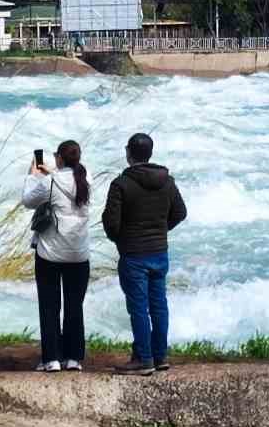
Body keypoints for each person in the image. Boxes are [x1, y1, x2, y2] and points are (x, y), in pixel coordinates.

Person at [102, 133, 187, 377]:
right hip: (159, 252)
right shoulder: (167, 181)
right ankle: (160, 356)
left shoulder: (121, 184)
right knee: (159, 305)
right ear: (149, 152)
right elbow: (180, 212)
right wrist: (161, 230)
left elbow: (110, 222)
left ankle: (144, 358)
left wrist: (122, 238)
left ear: (129, 153)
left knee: (138, 307)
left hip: (133, 254)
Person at [22, 141, 92, 373]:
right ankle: (73, 358)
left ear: (59, 158)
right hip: (79, 255)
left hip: (50, 254)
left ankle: (51, 358)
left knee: (50, 306)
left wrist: (33, 175)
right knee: (75, 307)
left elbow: (27, 201)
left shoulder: (48, 182)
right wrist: (52, 173)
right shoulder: (86, 177)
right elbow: (68, 182)